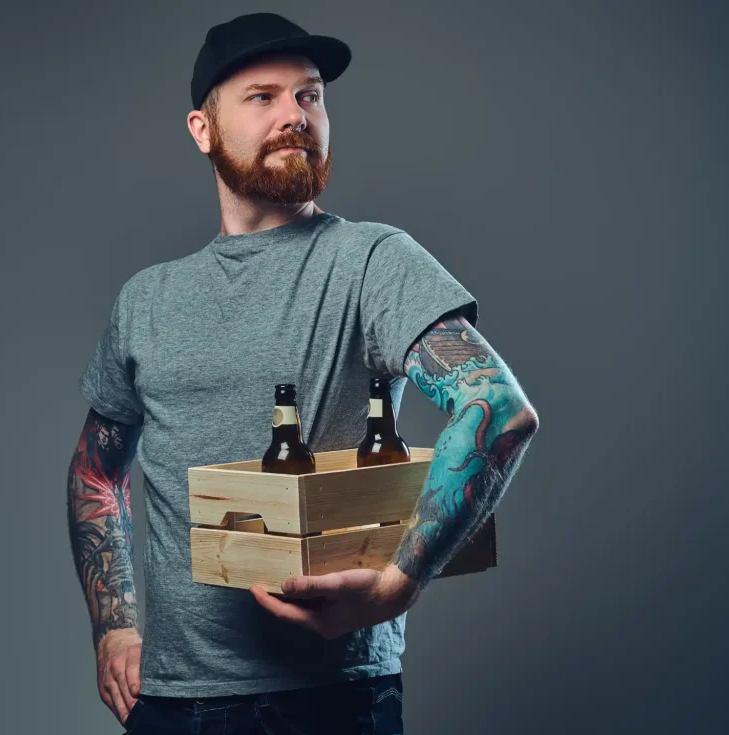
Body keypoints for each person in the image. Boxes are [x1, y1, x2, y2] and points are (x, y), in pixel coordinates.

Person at [67, 12, 539, 734]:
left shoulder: (374, 263)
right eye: (264, 97)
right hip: (167, 704)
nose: (295, 115)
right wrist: (114, 626)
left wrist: (395, 586)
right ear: (202, 128)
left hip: (328, 704)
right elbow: (97, 472)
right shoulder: (146, 300)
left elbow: (497, 407)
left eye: (310, 96)